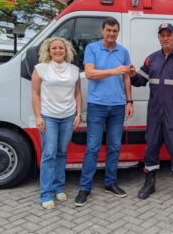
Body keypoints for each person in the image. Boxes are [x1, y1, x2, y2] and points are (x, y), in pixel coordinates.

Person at [129, 23, 173, 204]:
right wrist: (131, 74)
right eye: (162, 35)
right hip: (154, 112)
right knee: (151, 146)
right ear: (159, 38)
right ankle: (149, 183)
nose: (166, 38)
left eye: (169, 34)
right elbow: (140, 82)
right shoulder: (151, 59)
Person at [75, 17, 134, 207]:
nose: (111, 33)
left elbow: (126, 78)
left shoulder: (123, 51)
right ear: (103, 30)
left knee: (115, 146)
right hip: (97, 106)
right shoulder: (92, 49)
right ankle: (85, 188)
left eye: (115, 31)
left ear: (118, 32)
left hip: (118, 106)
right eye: (108, 30)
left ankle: (110, 182)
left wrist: (129, 101)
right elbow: (90, 73)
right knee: (92, 147)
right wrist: (113, 70)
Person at [32, 37, 82, 210]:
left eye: (61, 48)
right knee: (49, 154)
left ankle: (58, 187)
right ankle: (46, 193)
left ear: (66, 50)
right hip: (49, 117)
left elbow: (77, 93)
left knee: (61, 153)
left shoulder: (74, 70)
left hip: (68, 117)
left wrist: (78, 114)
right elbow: (35, 94)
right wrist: (38, 117)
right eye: (54, 48)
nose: (58, 50)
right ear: (48, 51)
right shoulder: (41, 69)